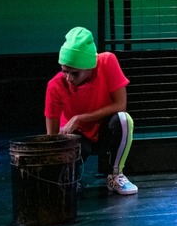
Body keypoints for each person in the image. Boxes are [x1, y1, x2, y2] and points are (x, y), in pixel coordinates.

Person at [44, 26, 138, 195]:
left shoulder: (107, 62)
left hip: (104, 131)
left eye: (75, 73)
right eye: (65, 71)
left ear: (90, 67)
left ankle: (115, 175)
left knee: (123, 119)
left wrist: (79, 118)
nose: (68, 78)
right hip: (77, 137)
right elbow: (51, 136)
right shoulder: (55, 85)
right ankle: (71, 177)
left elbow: (120, 105)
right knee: (69, 146)